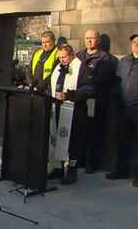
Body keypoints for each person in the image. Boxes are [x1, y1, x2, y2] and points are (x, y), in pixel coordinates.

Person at [47, 44, 93, 185]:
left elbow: (89, 90)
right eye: (60, 57)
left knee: (73, 141)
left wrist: (68, 95)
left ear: (72, 54)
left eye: (65, 57)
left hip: (75, 110)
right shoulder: (58, 67)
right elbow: (49, 82)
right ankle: (58, 168)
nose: (62, 60)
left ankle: (72, 170)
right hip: (58, 109)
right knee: (57, 139)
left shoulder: (82, 68)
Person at [76, 29, 116, 174]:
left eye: (92, 38)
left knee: (93, 133)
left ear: (98, 40)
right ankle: (79, 160)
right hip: (80, 100)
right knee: (80, 131)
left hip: (96, 100)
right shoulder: (79, 56)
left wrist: (86, 82)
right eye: (87, 38)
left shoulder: (105, 58)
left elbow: (101, 80)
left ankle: (92, 163)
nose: (89, 41)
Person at [106, 34, 138, 187]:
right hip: (123, 107)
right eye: (134, 42)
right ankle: (121, 170)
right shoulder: (124, 61)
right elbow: (117, 81)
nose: (136, 44)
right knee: (122, 141)